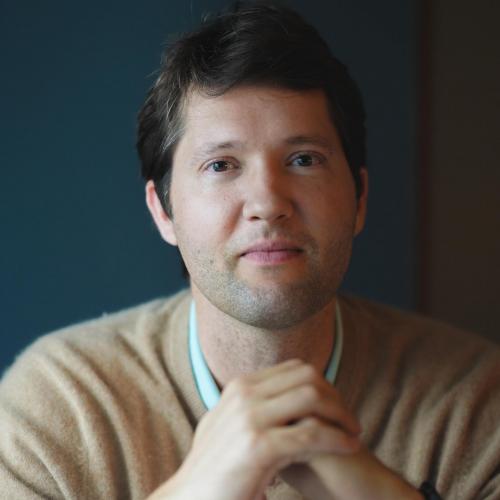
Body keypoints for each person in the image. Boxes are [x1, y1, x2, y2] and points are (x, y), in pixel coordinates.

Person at [1, 2, 499, 499]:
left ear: (360, 199)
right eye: (221, 165)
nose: (268, 204)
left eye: (304, 159)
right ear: (163, 211)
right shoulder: (53, 410)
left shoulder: (477, 405)